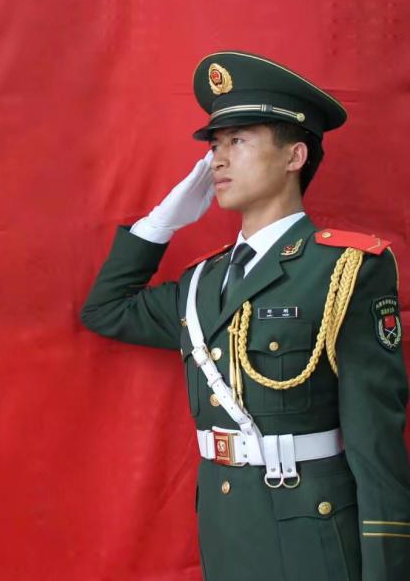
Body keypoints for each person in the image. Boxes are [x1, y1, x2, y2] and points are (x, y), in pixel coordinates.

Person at [80, 51, 410, 581]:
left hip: (313, 532)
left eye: (237, 141)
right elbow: (105, 310)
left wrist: (387, 569)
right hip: (225, 527)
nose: (218, 161)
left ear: (294, 155)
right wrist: (159, 225)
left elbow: (376, 444)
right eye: (214, 146)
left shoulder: (344, 270)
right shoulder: (202, 284)